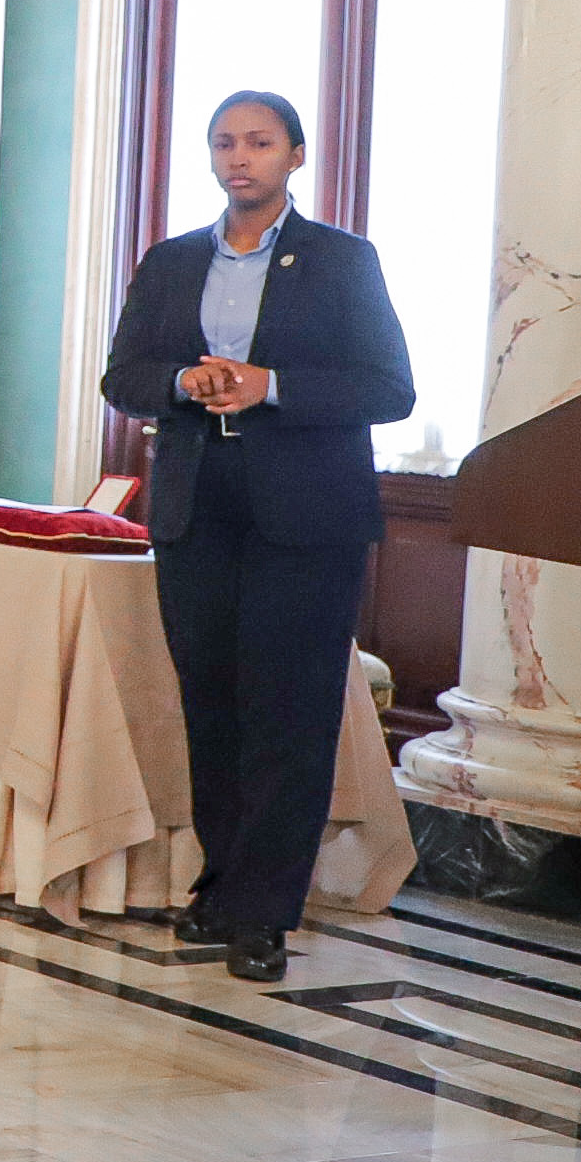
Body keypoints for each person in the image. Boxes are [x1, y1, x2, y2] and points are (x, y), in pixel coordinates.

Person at [100, 90, 414, 985]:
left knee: (290, 711)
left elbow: (389, 389)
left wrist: (268, 384)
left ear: (295, 156)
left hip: (305, 514)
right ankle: (222, 884)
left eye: (260, 142)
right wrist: (184, 381)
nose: (240, 158)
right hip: (197, 504)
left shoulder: (343, 261)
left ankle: (264, 912)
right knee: (213, 704)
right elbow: (123, 376)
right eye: (225, 143)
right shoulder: (171, 261)